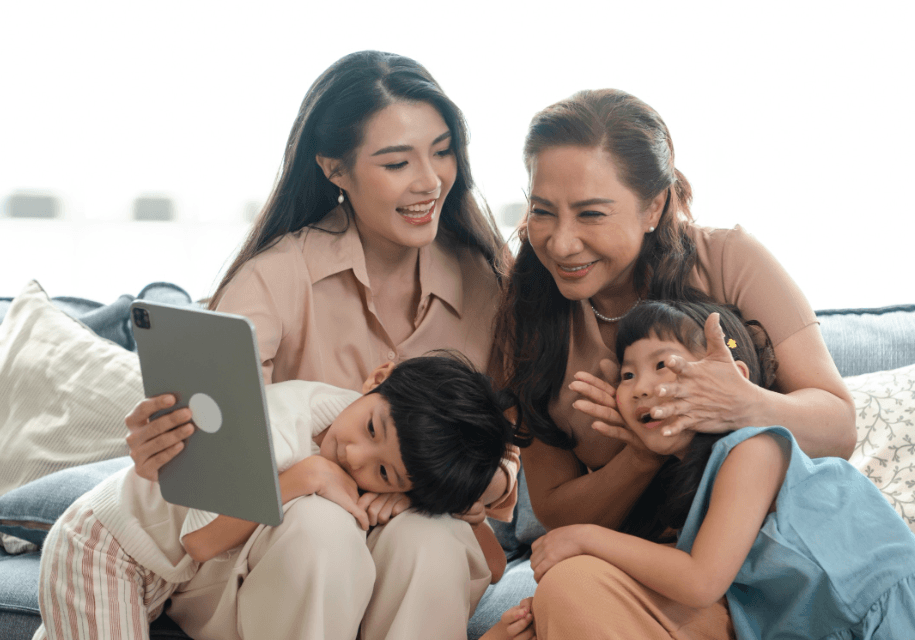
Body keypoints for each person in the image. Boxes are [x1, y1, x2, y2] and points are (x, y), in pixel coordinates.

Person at [123, 51, 519, 640]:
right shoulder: (276, 278)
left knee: (428, 539)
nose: (430, 180)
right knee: (321, 529)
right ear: (335, 170)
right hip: (276, 549)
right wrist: (161, 443)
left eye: (442, 151)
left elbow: (505, 460)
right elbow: (212, 467)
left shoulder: (487, 283)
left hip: (415, 530)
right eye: (396, 162)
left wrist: (429, 484)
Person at [489, 89, 857, 637]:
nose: (561, 242)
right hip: (666, 580)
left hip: (787, 577)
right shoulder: (531, 316)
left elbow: (838, 427)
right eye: (543, 212)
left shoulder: (729, 260)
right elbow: (559, 513)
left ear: (654, 206)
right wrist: (638, 456)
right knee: (565, 591)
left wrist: (742, 404)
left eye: (591, 213)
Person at [496, 299, 915, 639]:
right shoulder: (698, 491)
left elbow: (700, 581)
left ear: (733, 377)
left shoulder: (754, 449)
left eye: (664, 365)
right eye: (628, 375)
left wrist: (586, 536)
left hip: (903, 622)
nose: (642, 387)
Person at [35, 353, 517, 640]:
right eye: (370, 428)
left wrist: (427, 503)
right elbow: (201, 542)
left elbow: (491, 567)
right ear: (376, 378)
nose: (355, 456)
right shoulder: (282, 421)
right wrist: (303, 477)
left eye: (384, 471)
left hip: (180, 570)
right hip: (108, 549)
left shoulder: (405, 465)